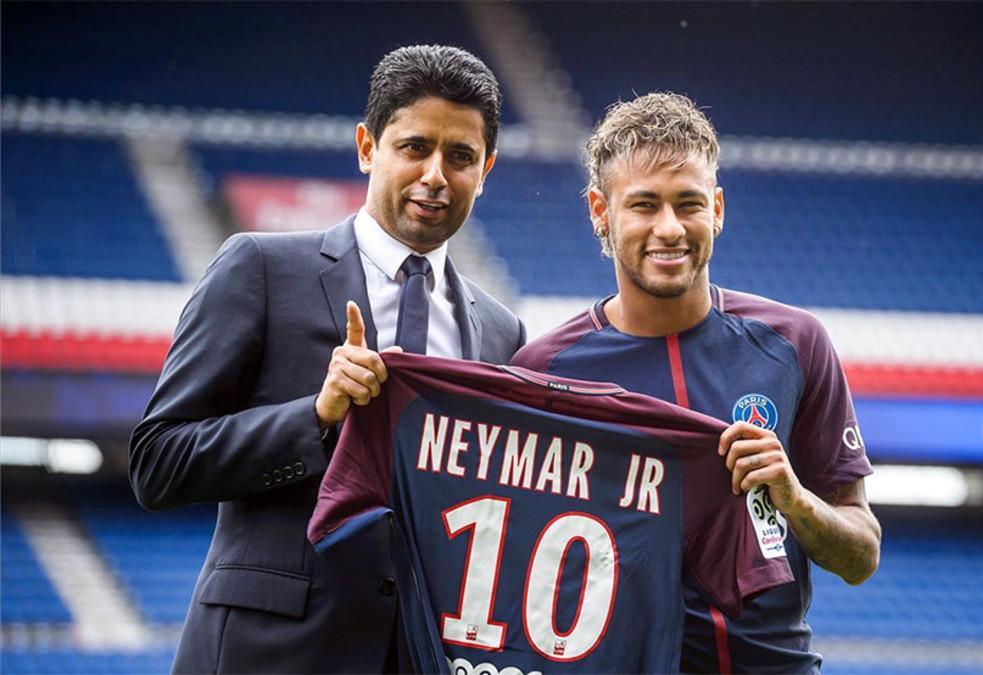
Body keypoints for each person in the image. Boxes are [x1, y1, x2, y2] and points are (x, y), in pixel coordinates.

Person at [129, 44, 524, 674]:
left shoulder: (502, 333)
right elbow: (157, 463)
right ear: (368, 147)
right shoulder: (259, 267)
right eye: (415, 147)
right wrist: (317, 416)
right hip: (267, 655)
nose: (435, 175)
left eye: (460, 157)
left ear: (487, 168)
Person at [511, 92, 881, 674]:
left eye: (688, 204)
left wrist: (794, 498)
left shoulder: (795, 344)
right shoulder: (543, 372)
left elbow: (862, 556)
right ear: (599, 211)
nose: (669, 228)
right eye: (644, 205)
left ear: (718, 208)